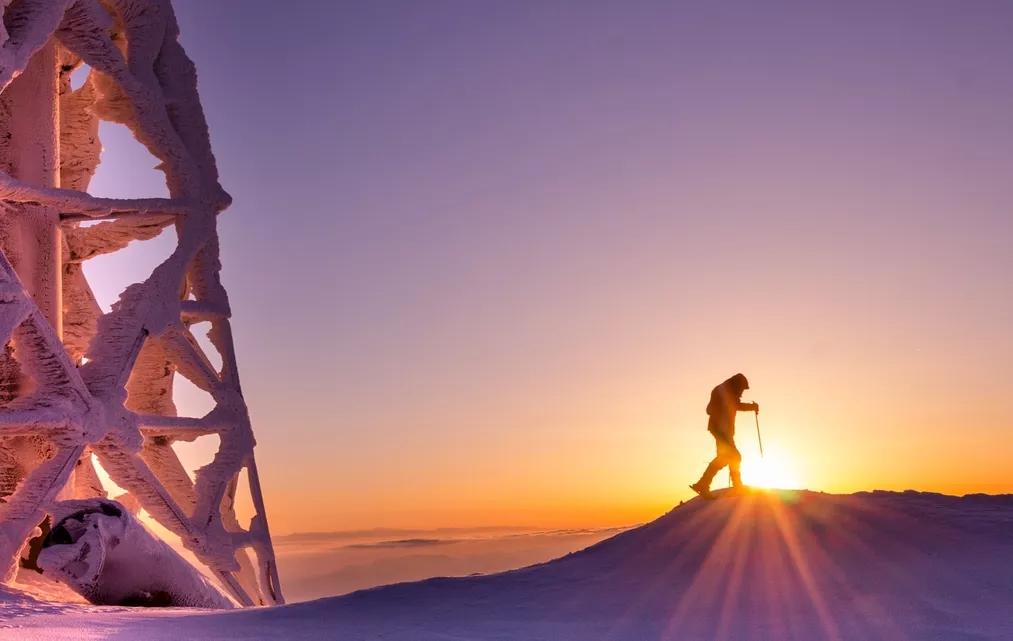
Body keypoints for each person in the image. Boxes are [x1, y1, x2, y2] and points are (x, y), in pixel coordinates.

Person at [690, 373, 758, 498]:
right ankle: (736, 486)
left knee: (726, 457)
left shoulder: (724, 389)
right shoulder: (727, 391)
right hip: (721, 430)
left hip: (721, 430)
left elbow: (726, 406)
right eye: (742, 388)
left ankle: (703, 484)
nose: (742, 392)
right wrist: (752, 407)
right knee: (734, 456)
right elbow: (731, 406)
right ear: (738, 385)